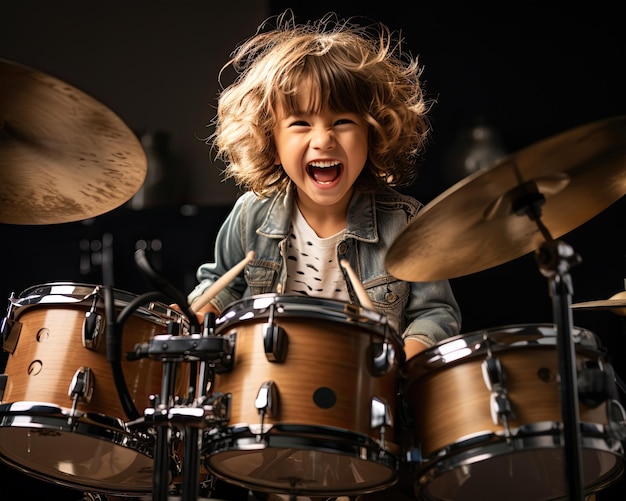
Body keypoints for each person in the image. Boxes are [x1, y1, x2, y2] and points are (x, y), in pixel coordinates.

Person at [187, 8, 461, 362]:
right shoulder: (250, 215)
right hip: (271, 388)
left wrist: (399, 369)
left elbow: (436, 315)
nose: (323, 140)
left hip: (368, 393)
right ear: (270, 143)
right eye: (301, 123)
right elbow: (221, 283)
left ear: (373, 135)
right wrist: (206, 307)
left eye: (343, 121)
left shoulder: (405, 223)